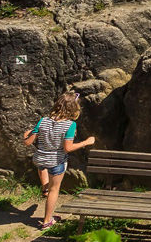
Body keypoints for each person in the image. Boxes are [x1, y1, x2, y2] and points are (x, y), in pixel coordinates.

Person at [22, 91, 96, 228]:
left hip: (39, 158)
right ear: (74, 109)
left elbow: (28, 142)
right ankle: (47, 221)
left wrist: (27, 134)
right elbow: (67, 148)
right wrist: (86, 142)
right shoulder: (70, 125)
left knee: (42, 167)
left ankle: (45, 187)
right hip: (56, 161)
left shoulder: (43, 120)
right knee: (54, 190)